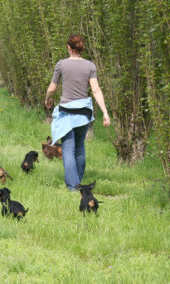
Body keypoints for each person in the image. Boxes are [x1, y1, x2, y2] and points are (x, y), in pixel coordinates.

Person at [45, 34, 110, 191]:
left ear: (68, 47)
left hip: (67, 112)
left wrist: (47, 99)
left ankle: (74, 187)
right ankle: (77, 181)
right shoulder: (90, 66)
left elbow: (52, 87)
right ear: (81, 48)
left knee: (68, 149)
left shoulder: (61, 65)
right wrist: (105, 113)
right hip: (83, 113)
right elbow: (95, 89)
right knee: (80, 147)